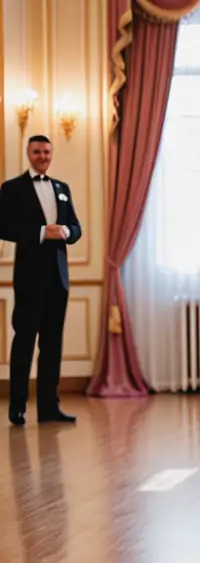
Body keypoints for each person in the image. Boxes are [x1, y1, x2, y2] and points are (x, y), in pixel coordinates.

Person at [0, 135, 82, 427]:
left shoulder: (62, 188)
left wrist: (66, 233)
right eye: (37, 151)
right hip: (29, 278)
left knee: (52, 344)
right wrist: (39, 232)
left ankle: (49, 408)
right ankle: (18, 408)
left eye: (47, 151)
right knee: (23, 343)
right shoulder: (11, 188)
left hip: (58, 278)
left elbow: (76, 227)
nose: (43, 156)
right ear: (28, 153)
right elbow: (3, 226)